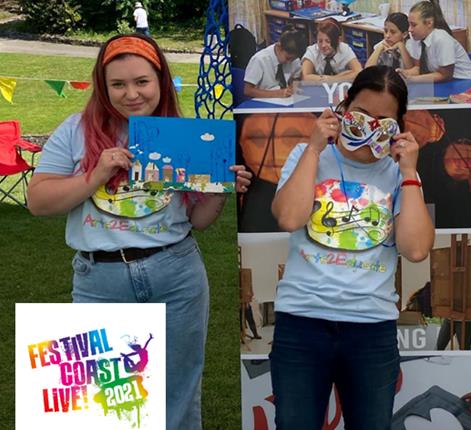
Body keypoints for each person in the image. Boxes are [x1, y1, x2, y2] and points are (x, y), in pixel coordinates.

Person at [27, 33, 252, 430]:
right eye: (118, 84)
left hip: (176, 272)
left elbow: (197, 221)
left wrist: (219, 190)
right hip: (101, 279)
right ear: (103, 85)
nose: (131, 94)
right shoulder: (76, 130)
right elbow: (39, 202)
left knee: (178, 397)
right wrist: (95, 175)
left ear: (160, 81)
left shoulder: (181, 135)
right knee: (103, 407)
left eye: (141, 81)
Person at [270, 65, 435, 429]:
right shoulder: (306, 156)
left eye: (384, 120)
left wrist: (409, 172)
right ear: (343, 108)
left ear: (398, 126)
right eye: (361, 114)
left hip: (370, 328)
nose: (370, 126)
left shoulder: (399, 174)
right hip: (302, 322)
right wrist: (315, 148)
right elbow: (288, 218)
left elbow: (417, 248)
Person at [398, 0, 471, 82]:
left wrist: (413, 79)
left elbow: (445, 75)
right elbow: (419, 68)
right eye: (409, 24)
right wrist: (406, 74)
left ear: (429, 23)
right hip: (448, 83)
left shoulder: (442, 38)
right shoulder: (416, 38)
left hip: (467, 82)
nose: (409, 29)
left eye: (414, 25)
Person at [244, 25, 306, 99]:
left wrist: (293, 87)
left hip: (284, 102)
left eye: (293, 59)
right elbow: (248, 90)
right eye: (287, 58)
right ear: (279, 47)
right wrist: (276, 93)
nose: (289, 62)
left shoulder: (294, 60)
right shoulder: (260, 60)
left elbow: (296, 78)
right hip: (262, 102)